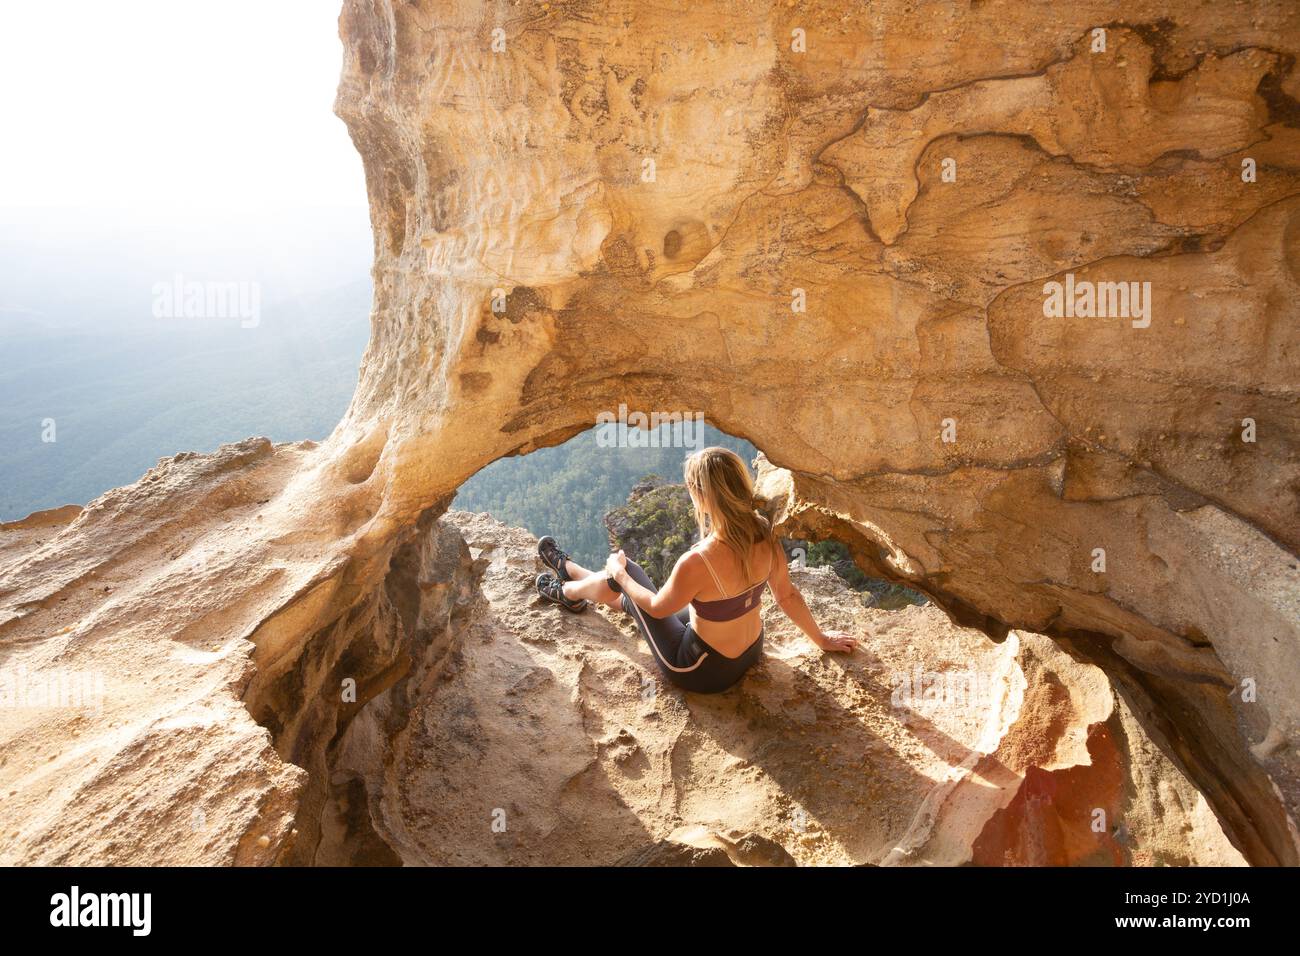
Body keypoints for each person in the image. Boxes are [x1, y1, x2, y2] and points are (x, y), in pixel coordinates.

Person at [535, 446, 858, 694]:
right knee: (633, 591)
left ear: (701, 495)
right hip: (750, 650)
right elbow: (787, 596)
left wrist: (619, 575)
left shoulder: (698, 560)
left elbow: (659, 607)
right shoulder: (764, 532)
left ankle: (566, 593)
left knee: (629, 573)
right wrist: (822, 639)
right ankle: (571, 569)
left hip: (702, 669)